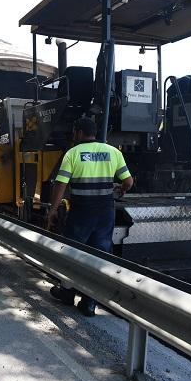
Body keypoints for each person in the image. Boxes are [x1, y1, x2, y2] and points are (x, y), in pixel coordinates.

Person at [47, 117, 133, 317]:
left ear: (78, 132)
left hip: (81, 213)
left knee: (72, 253)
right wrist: (121, 188)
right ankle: (89, 303)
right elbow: (128, 181)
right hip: (105, 213)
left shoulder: (73, 153)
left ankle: (67, 293)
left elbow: (61, 184)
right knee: (98, 256)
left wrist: (53, 209)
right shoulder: (114, 152)